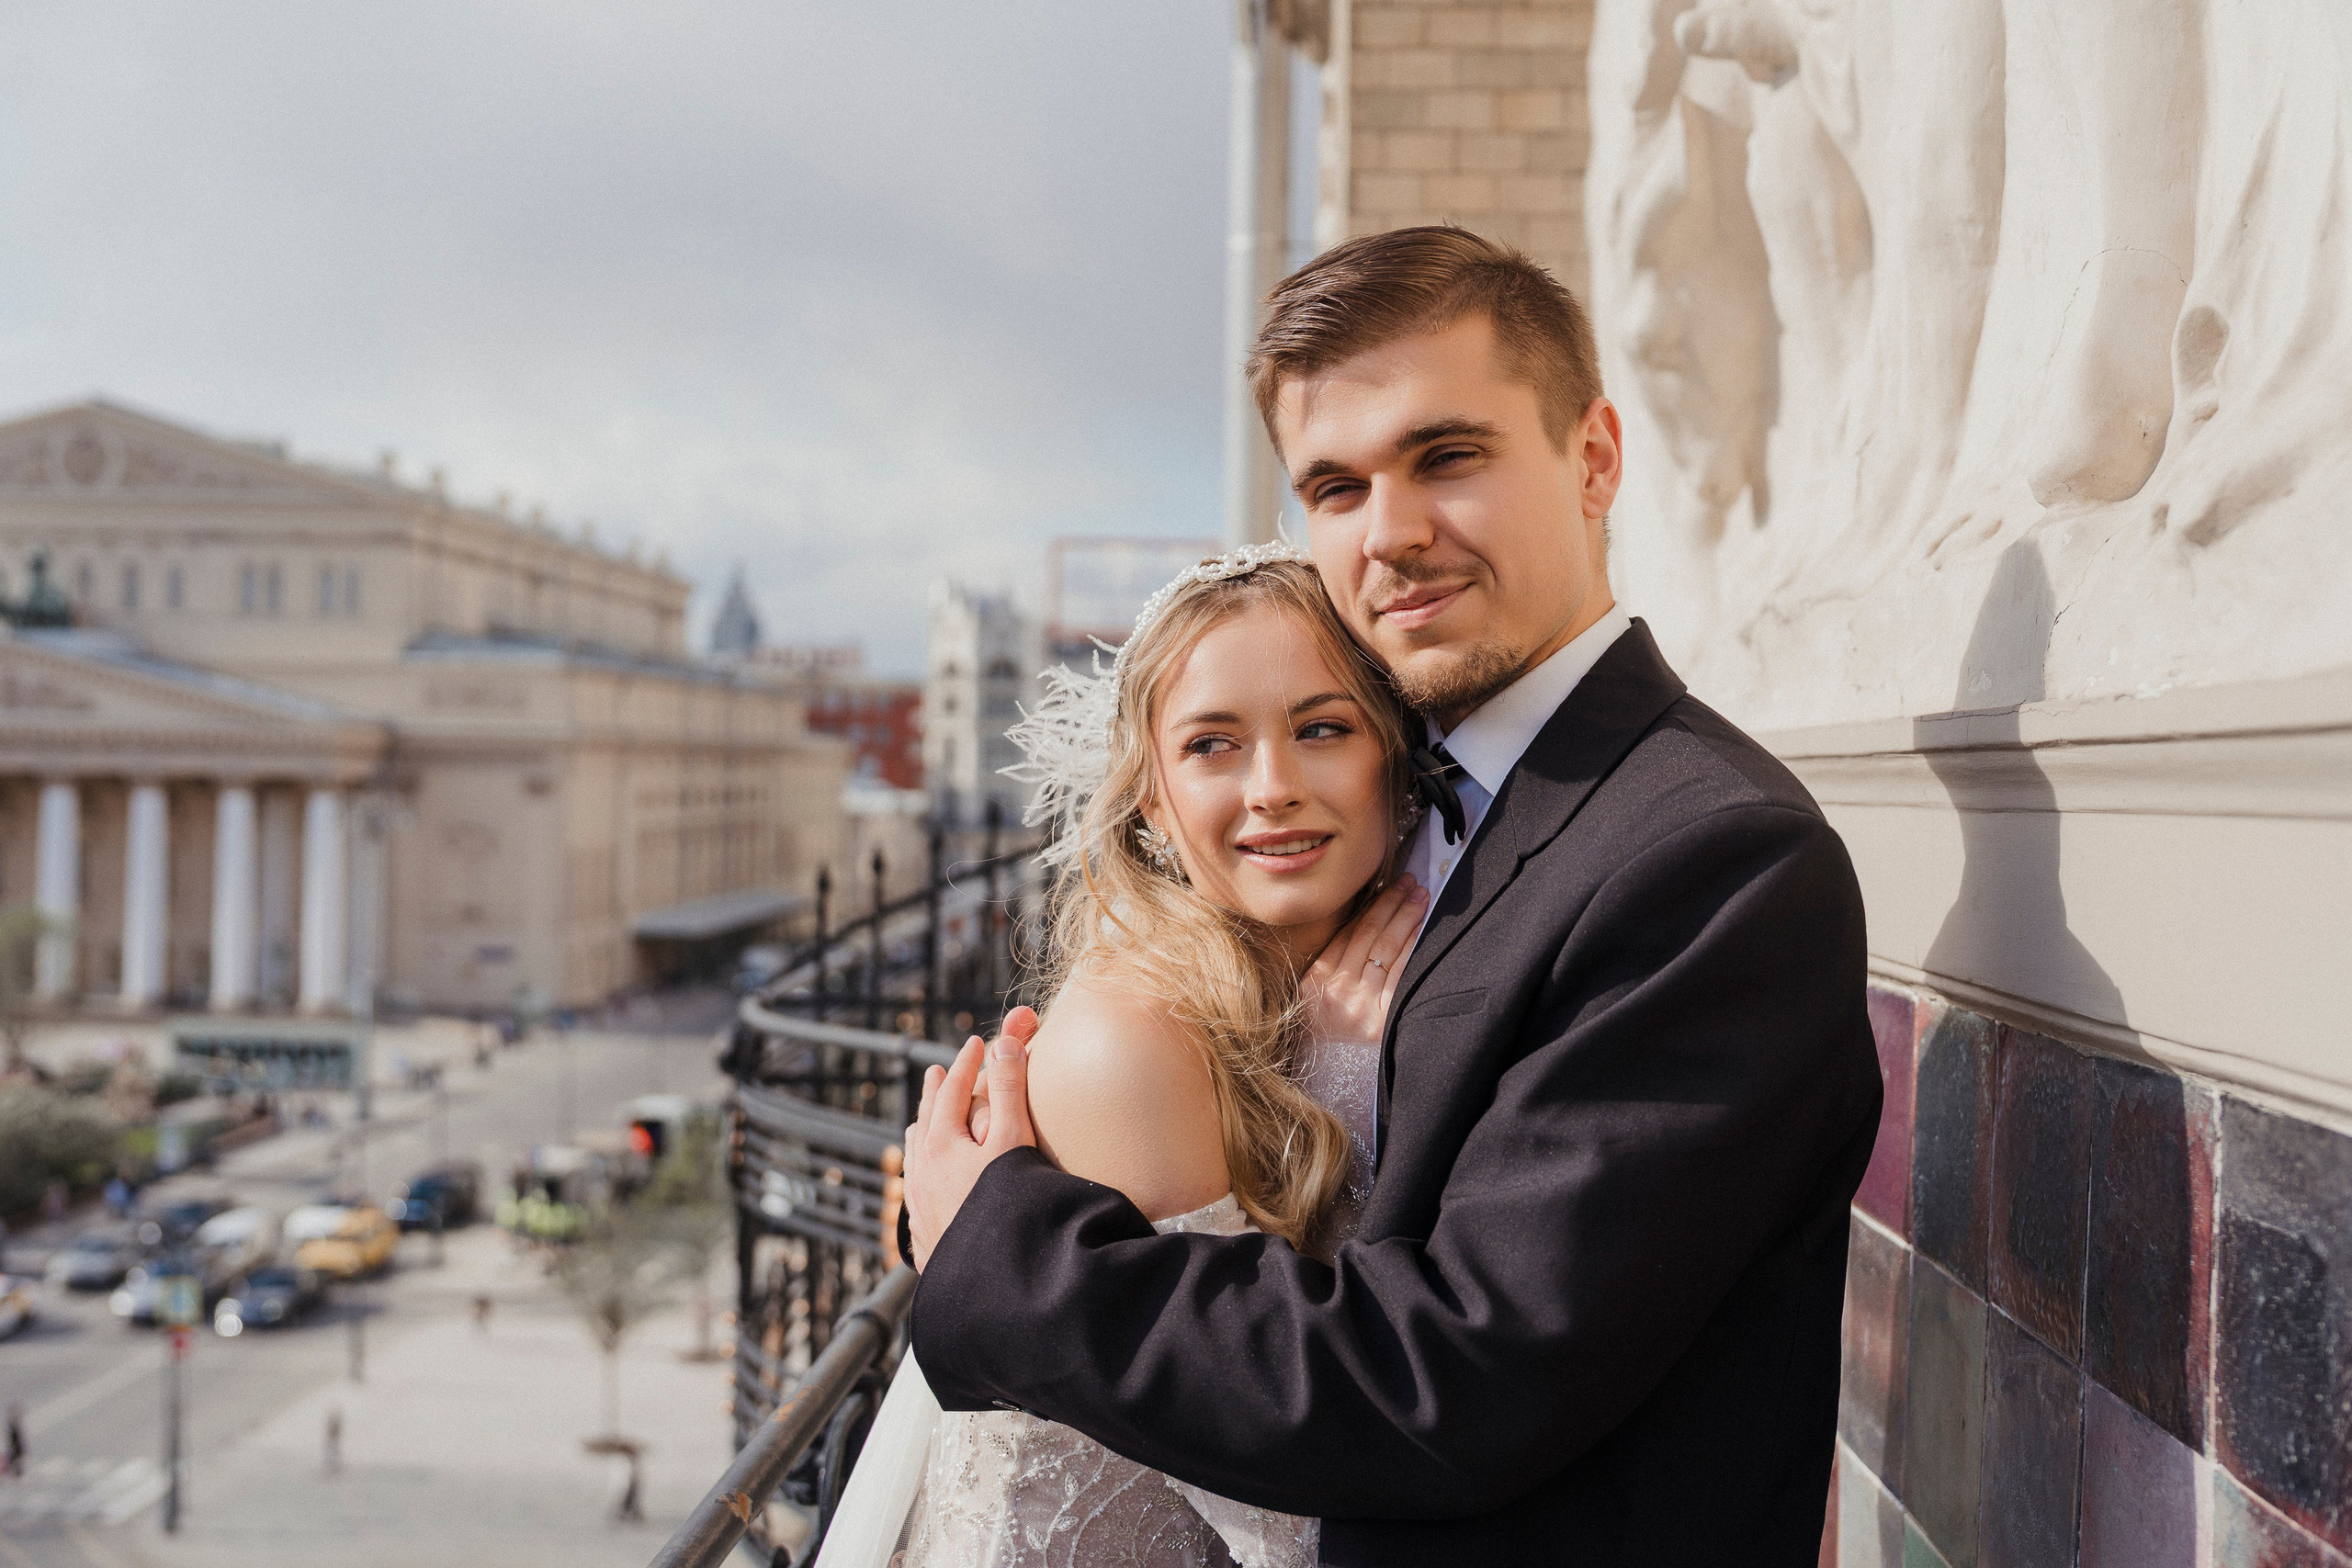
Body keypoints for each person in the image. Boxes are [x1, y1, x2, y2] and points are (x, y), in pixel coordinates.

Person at [904, 228, 1883, 1565]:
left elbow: (1455, 1375)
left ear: (1594, 457)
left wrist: (1003, 1248)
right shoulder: (1408, 809)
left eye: (1448, 456)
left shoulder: (1711, 855)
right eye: (1337, 485)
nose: (1394, 532)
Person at [818, 547, 1433, 1568]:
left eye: (1320, 728)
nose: (1272, 787)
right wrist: (1340, 1074)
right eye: (1212, 745)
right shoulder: (1132, 1041)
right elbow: (1287, 1520)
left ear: (1394, 757)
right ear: (1150, 794)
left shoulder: (1323, 981)